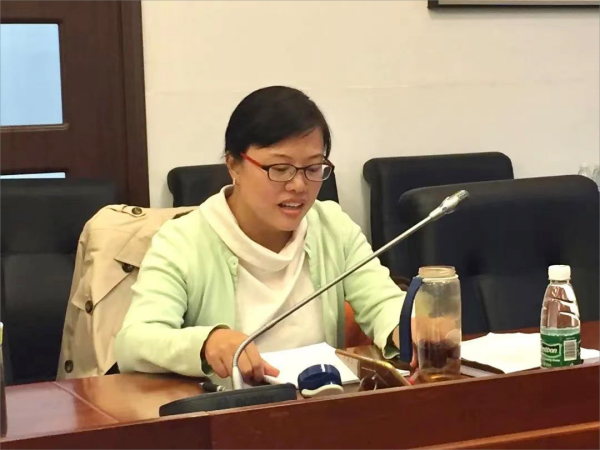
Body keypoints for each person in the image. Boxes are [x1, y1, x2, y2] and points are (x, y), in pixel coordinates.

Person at [115, 86, 406, 385]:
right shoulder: (182, 241)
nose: (298, 185)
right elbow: (134, 342)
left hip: (319, 403)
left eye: (312, 167)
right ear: (233, 165)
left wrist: (407, 328)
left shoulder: (332, 226)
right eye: (280, 168)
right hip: (230, 409)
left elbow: (383, 303)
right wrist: (207, 343)